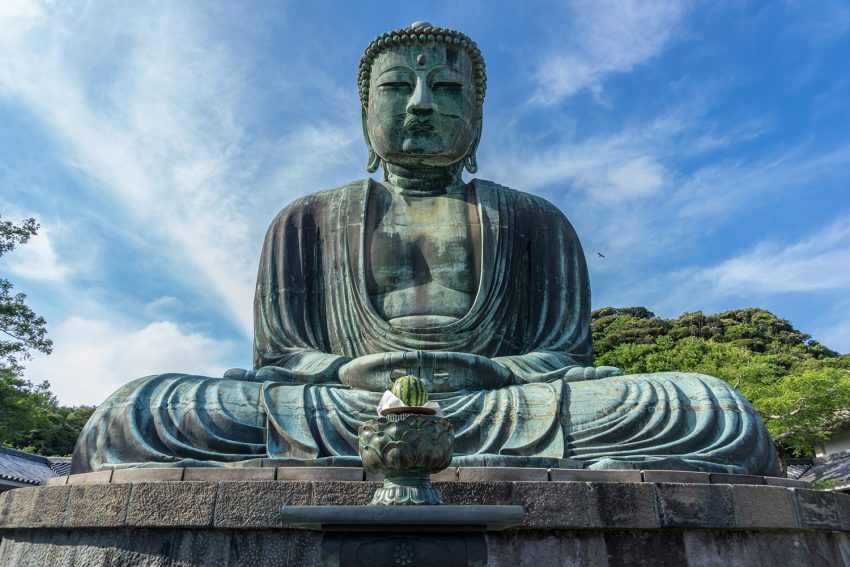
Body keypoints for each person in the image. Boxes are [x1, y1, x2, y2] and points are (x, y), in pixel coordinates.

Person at [72, 23, 779, 475]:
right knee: (135, 413)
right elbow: (282, 361)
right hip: (342, 407)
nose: (420, 103)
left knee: (710, 410)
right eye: (397, 86)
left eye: (445, 87)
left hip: (503, 404)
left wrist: (481, 371)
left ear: (476, 113)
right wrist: (355, 372)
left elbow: (564, 356)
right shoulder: (306, 221)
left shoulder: (535, 221)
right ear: (365, 110)